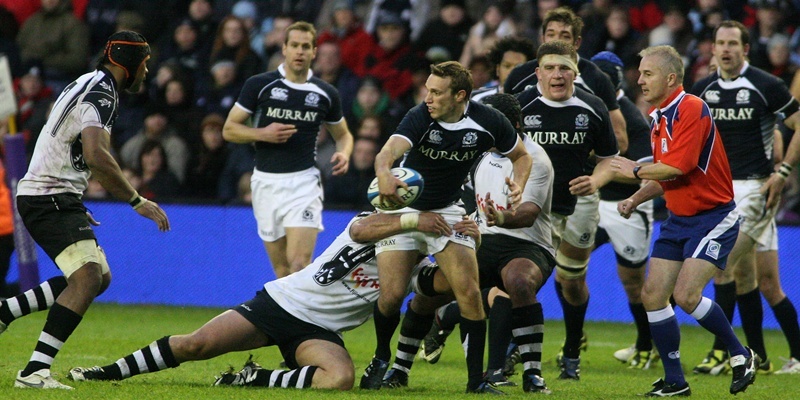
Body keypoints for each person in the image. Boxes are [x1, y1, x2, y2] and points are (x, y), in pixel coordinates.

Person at [66, 211, 475, 390]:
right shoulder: (370, 224)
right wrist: (411, 219)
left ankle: (255, 378)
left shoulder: (416, 256)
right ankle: (105, 373)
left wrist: (471, 240)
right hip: (279, 304)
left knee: (339, 379)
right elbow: (365, 227)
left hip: (319, 331)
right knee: (195, 345)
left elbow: (436, 283)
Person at [6, 31, 170, 390]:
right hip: (49, 195)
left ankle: (6, 312)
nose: (146, 71)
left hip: (54, 194)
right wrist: (136, 200)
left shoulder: (88, 82)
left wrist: (74, 195)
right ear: (127, 64)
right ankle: (35, 371)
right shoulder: (103, 93)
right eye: (144, 63)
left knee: (100, 277)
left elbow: (64, 139)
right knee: (87, 279)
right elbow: (96, 156)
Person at [362, 61, 532, 394]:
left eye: (437, 92)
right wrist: (384, 173)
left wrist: (519, 185)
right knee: (392, 295)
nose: (428, 97)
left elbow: (522, 156)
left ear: (460, 96)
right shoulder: (419, 117)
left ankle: (475, 383)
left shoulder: (488, 121)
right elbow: (387, 153)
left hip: (448, 210)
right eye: (427, 89)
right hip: (405, 207)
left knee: (469, 294)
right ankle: (382, 357)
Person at [612, 45, 756, 397]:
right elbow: (667, 177)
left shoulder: (691, 108)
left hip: (713, 217)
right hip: (679, 219)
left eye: (648, 74)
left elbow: (681, 166)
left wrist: (631, 170)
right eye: (640, 73)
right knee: (653, 295)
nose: (640, 79)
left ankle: (740, 354)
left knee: (687, 295)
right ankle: (675, 381)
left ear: (671, 78)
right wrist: (635, 197)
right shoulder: (658, 115)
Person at [503, 8, 628, 368]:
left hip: (579, 196)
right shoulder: (521, 80)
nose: (556, 39)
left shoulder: (596, 84)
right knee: (518, 275)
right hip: (530, 196)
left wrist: (591, 170)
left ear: (576, 45)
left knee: (571, 281)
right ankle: (509, 352)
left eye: (564, 34)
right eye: (550, 32)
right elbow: (501, 133)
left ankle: (572, 346)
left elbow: (616, 141)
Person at [689, 20, 800, 376]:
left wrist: (782, 173)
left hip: (754, 190)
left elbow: (795, 126)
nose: (725, 49)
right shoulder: (702, 89)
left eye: (732, 43)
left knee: (720, 267)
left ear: (746, 49)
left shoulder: (766, 85)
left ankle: (724, 351)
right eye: (720, 42)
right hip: (716, 191)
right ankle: (760, 356)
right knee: (756, 280)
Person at [222, 21, 354, 279]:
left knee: (299, 264)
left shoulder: (325, 93)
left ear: (314, 52)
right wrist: (263, 133)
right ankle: (291, 318)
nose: (300, 51)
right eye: (294, 45)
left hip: (303, 183)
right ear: (284, 48)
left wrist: (344, 153)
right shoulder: (260, 85)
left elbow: (344, 135)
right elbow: (229, 129)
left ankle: (305, 318)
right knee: (281, 270)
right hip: (265, 183)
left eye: (306, 46)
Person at [590, 51, 657, 369]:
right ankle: (573, 340)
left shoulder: (631, 118)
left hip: (628, 206)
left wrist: (597, 170)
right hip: (593, 203)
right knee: (567, 265)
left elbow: (643, 170)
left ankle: (648, 344)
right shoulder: (586, 108)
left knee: (633, 281)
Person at [471, 36, 536, 102]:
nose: (512, 71)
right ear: (498, 70)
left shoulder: (536, 100)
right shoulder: (477, 99)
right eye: (507, 66)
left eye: (518, 67)